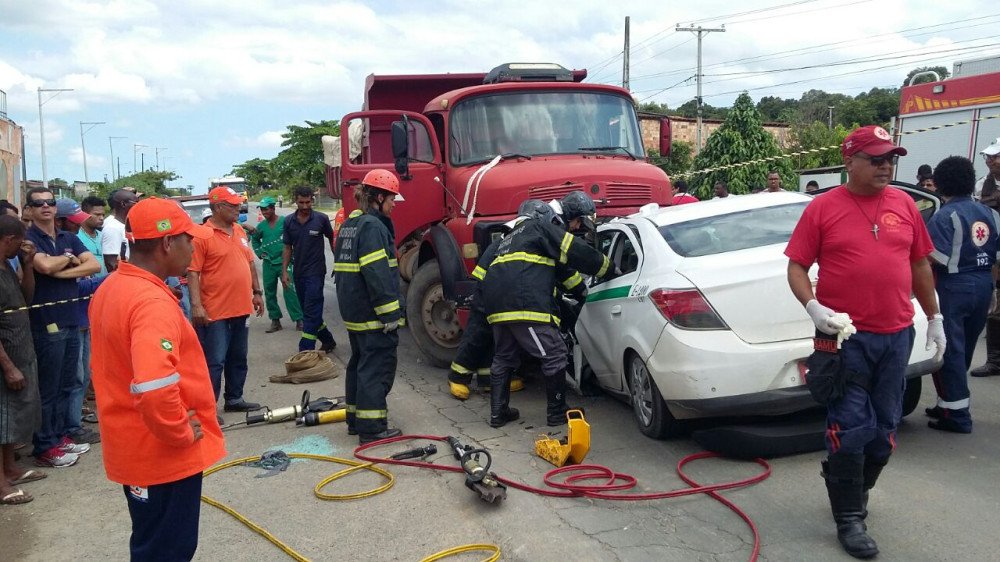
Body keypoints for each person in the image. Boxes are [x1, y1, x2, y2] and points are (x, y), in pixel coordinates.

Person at [785, 125, 943, 559]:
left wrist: (935, 318)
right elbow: (797, 267)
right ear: (849, 161)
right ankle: (850, 517)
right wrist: (814, 308)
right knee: (851, 424)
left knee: (885, 428)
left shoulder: (904, 204)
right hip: (843, 339)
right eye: (875, 159)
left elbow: (920, 264)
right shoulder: (823, 208)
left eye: (890, 158)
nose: (886, 166)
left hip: (895, 337)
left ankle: (849, 484)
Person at [89, 197, 225, 560]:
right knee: (169, 549)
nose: (192, 247)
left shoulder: (113, 287)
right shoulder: (149, 302)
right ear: (167, 243)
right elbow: (154, 386)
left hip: (134, 448)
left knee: (151, 542)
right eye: (188, 239)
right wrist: (180, 432)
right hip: (161, 453)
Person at [482, 190, 612, 428]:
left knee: (503, 357)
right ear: (571, 216)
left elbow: (561, 273)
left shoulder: (511, 236)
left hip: (497, 305)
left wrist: (581, 291)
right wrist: (606, 268)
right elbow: (574, 251)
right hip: (523, 304)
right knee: (554, 353)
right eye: (578, 222)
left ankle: (498, 414)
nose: (576, 228)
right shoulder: (542, 228)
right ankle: (556, 412)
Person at [447, 200, 582, 400]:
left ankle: (487, 380)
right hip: (489, 293)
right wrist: (580, 289)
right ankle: (457, 376)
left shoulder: (515, 236)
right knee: (476, 335)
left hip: (497, 293)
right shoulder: (510, 238)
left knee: (496, 342)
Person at [923, 156, 1000, 433]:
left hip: (954, 287)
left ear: (942, 182)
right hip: (983, 284)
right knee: (964, 348)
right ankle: (950, 402)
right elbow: (996, 259)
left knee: (950, 350)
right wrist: (992, 290)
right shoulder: (990, 214)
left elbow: (931, 260)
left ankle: (957, 416)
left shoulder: (944, 216)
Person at [25, 190, 101, 468]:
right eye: (39, 203)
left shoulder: (68, 237)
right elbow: (42, 265)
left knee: (67, 383)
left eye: (50, 202)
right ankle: (44, 445)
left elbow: (93, 264)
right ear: (29, 210)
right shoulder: (29, 238)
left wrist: (59, 269)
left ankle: (59, 437)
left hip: (71, 318)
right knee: (49, 386)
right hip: (46, 321)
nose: (46, 206)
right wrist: (70, 260)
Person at [334, 170, 405, 443]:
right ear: (378, 197)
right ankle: (372, 428)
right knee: (376, 369)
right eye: (391, 198)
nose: (394, 204)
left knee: (359, 364)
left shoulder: (351, 225)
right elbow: (377, 273)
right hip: (373, 314)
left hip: (354, 312)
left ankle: (355, 420)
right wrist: (390, 313)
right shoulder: (374, 227)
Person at [188, 187, 264, 413]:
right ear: (218, 207)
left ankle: (234, 399)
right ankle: (207, 408)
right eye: (232, 205)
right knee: (214, 361)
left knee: (238, 357)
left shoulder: (239, 230)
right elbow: (193, 272)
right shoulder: (202, 235)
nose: (238, 208)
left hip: (240, 308)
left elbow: (249, 263)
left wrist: (257, 293)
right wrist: (196, 305)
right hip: (215, 312)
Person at [0, 216, 44, 505]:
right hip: (6, 358)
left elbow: (26, 299)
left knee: (13, 420)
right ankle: (1, 486)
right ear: (8, 240)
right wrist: (8, 366)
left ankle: (11, 469)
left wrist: (27, 266)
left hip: (21, 349)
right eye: (20, 241)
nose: (23, 246)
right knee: (1, 420)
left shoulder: (7, 265)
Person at [282, 186, 337, 352]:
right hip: (298, 273)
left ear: (312, 200)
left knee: (311, 311)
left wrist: (338, 263)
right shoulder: (289, 221)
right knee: (309, 310)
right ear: (295, 201)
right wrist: (284, 271)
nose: (305, 206)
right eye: (301, 203)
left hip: (316, 272)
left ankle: (305, 350)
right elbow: (287, 247)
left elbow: (331, 239)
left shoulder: (321, 219)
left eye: (308, 202)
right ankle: (328, 340)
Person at [969, 138, 1000, 377]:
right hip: (993, 253)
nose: (990, 160)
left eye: (995, 156)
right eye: (988, 156)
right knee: (996, 309)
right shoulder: (982, 185)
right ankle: (995, 360)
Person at [250, 196, 303, 333]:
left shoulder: (285, 222)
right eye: (262, 210)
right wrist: (260, 252)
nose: (264, 212)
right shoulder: (261, 226)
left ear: (273, 208)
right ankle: (275, 320)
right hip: (269, 264)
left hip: (284, 263)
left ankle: (299, 319)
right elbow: (255, 240)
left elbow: (295, 238)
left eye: (266, 209)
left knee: (289, 290)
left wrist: (294, 256)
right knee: (269, 292)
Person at [102, 189, 138, 272]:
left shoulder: (125, 226)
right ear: (123, 204)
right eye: (135, 203)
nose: (138, 206)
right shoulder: (112, 228)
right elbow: (111, 263)